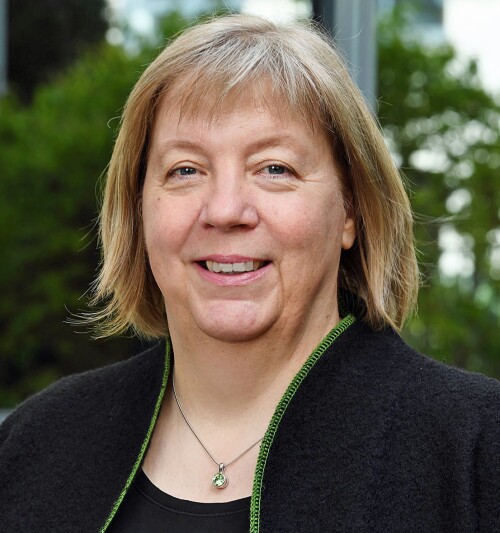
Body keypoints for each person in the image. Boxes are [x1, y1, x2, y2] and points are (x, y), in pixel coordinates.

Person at [0, 13, 499, 533]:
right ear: (139, 209)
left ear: (350, 210)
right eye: (186, 170)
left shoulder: (476, 450)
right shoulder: (35, 444)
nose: (225, 210)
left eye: (274, 169)